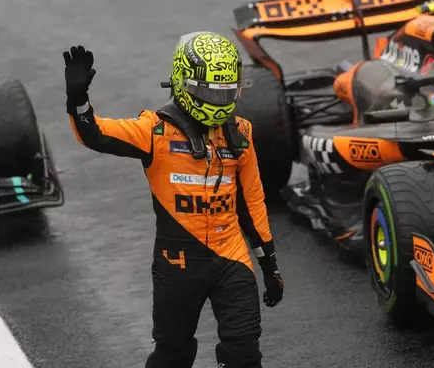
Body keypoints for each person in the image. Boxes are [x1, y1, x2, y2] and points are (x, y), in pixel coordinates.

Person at [62, 31, 284, 368]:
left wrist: (269, 265)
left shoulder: (242, 133)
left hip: (232, 259)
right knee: (174, 353)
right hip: (178, 265)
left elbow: (252, 203)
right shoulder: (153, 131)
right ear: (185, 84)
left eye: (226, 91)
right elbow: (94, 133)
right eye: (211, 91)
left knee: (244, 354)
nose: (219, 99)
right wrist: (77, 98)